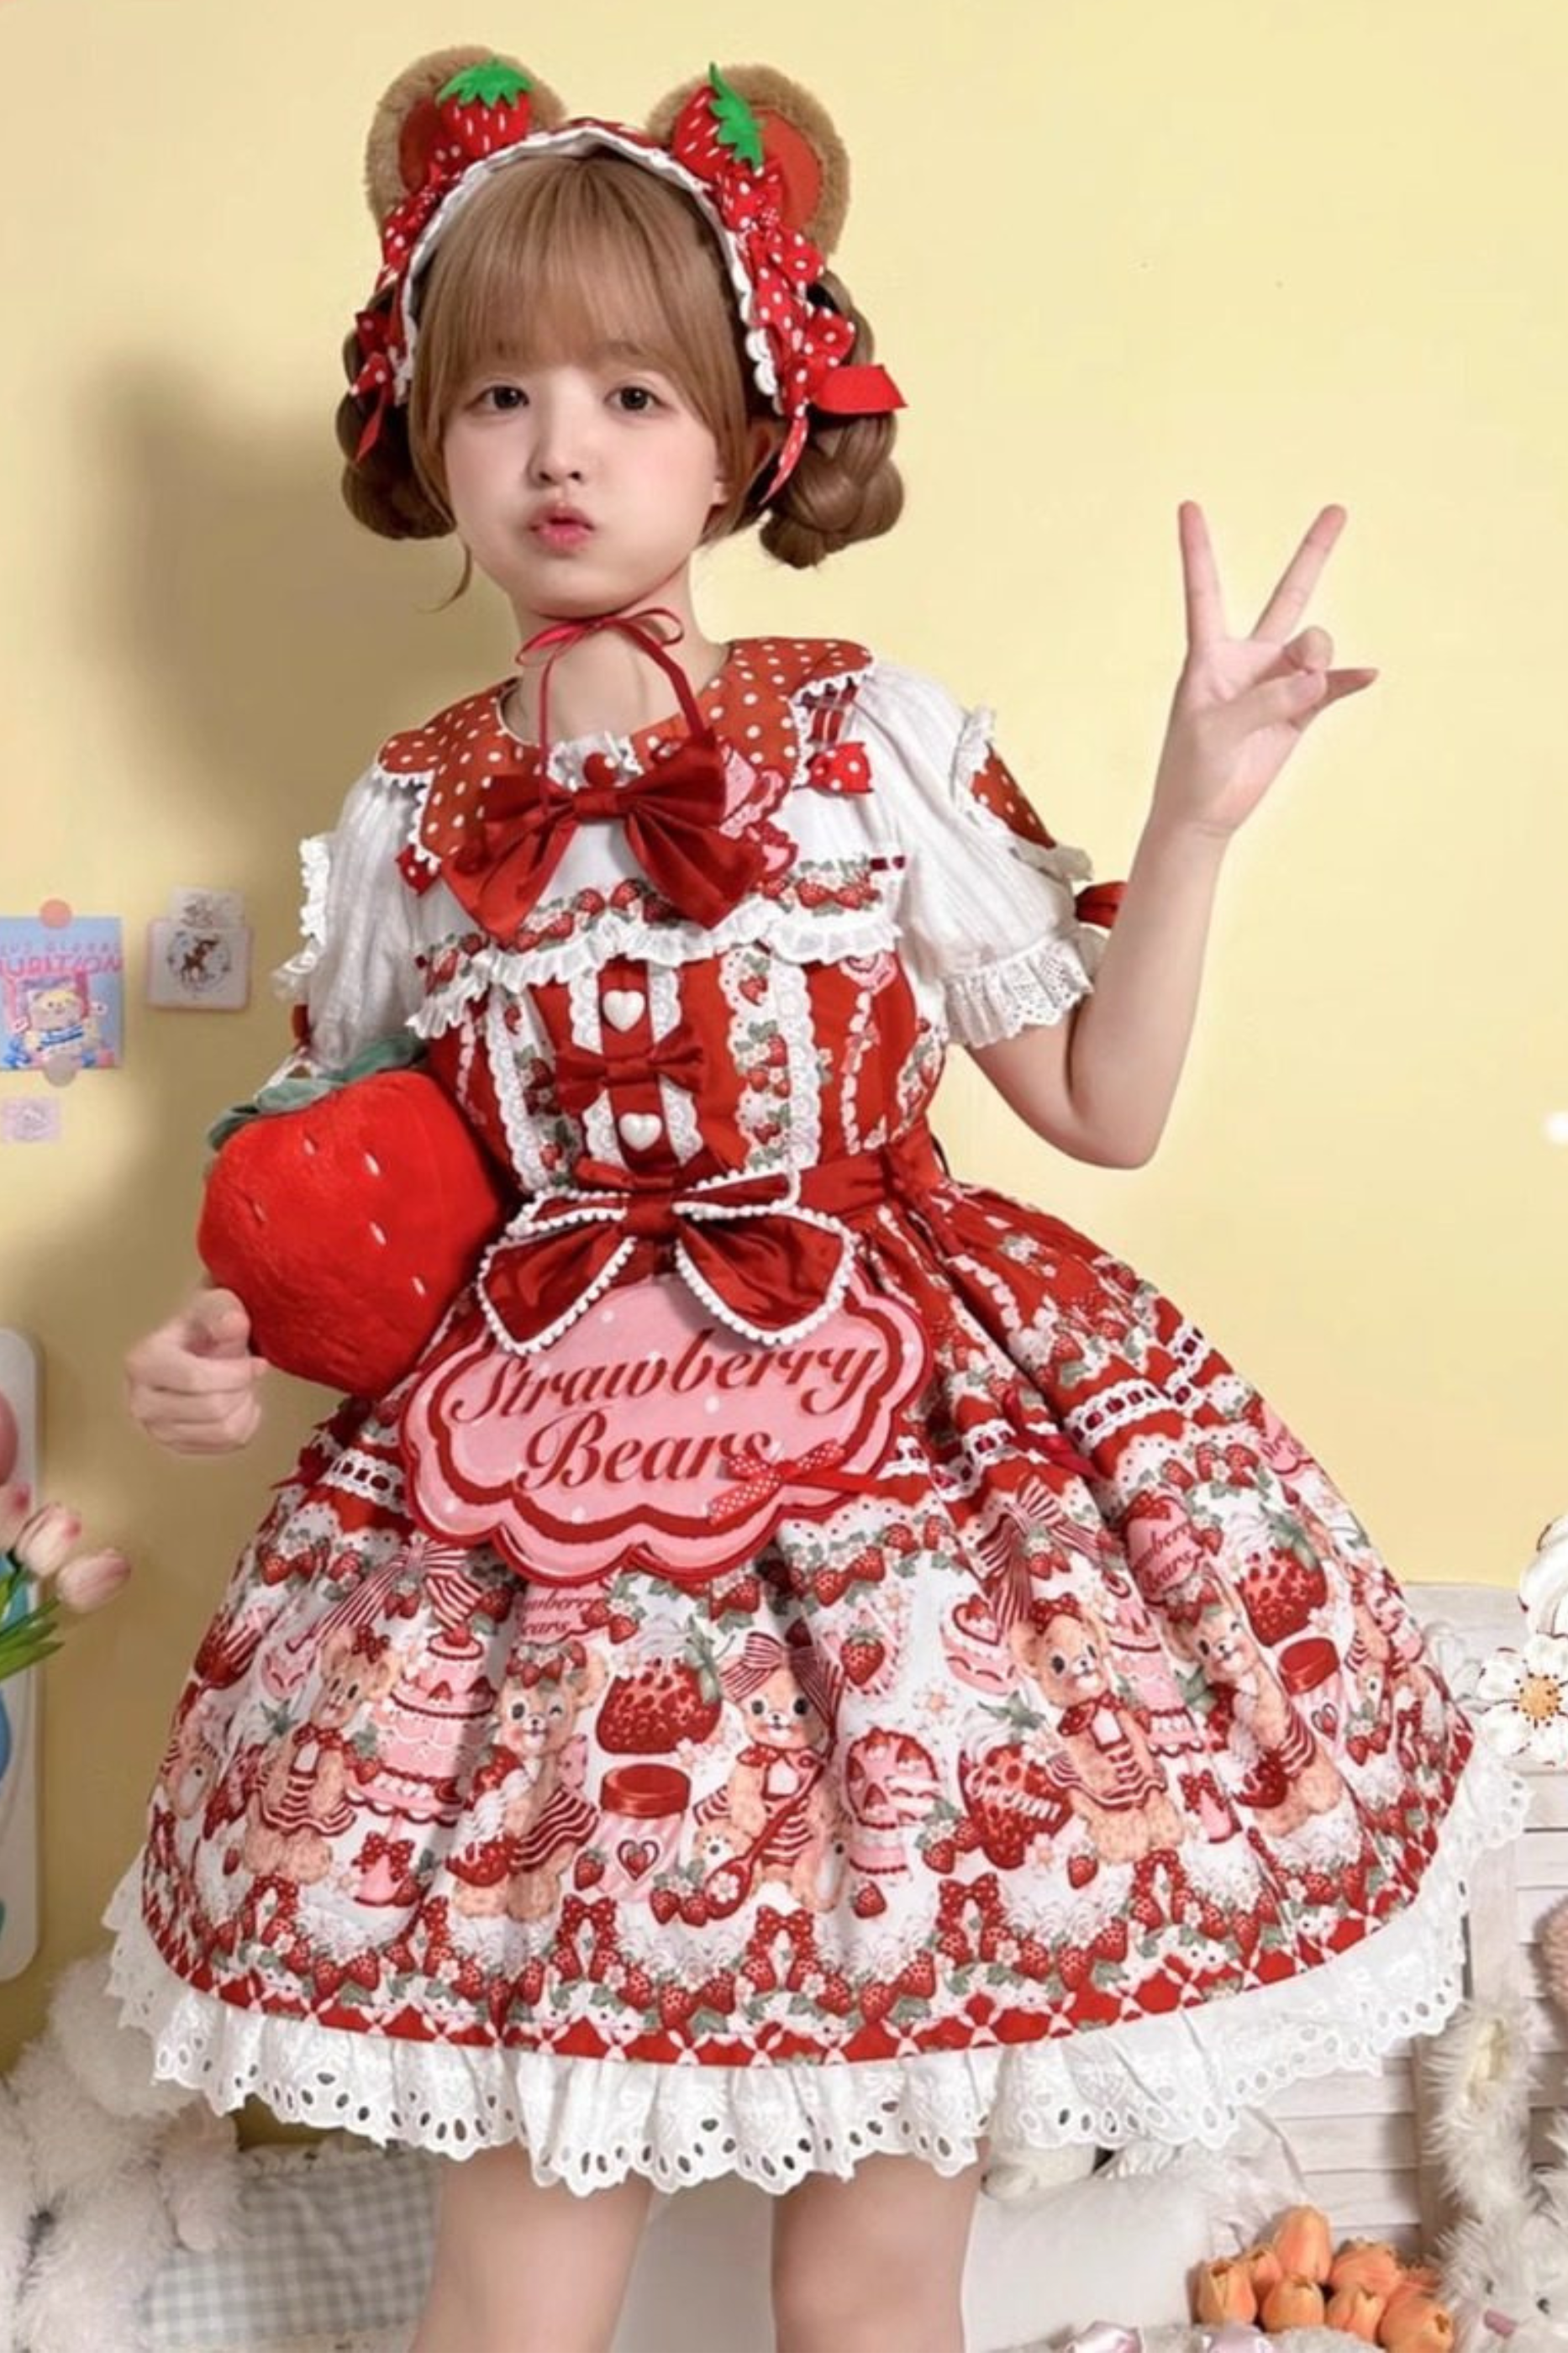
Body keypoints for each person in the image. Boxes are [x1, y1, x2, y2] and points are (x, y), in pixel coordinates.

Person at [112, 46, 1525, 2353]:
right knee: (518, 2255)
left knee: (874, 2274)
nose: (562, 451)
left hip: (907, 1560)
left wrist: (1193, 815)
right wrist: (226, 1334)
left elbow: (1103, 1105)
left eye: (634, 393)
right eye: (501, 397)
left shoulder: (874, 739)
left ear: (751, 435)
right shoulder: (404, 817)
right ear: (424, 436)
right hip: (532, 1564)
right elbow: (336, 1188)